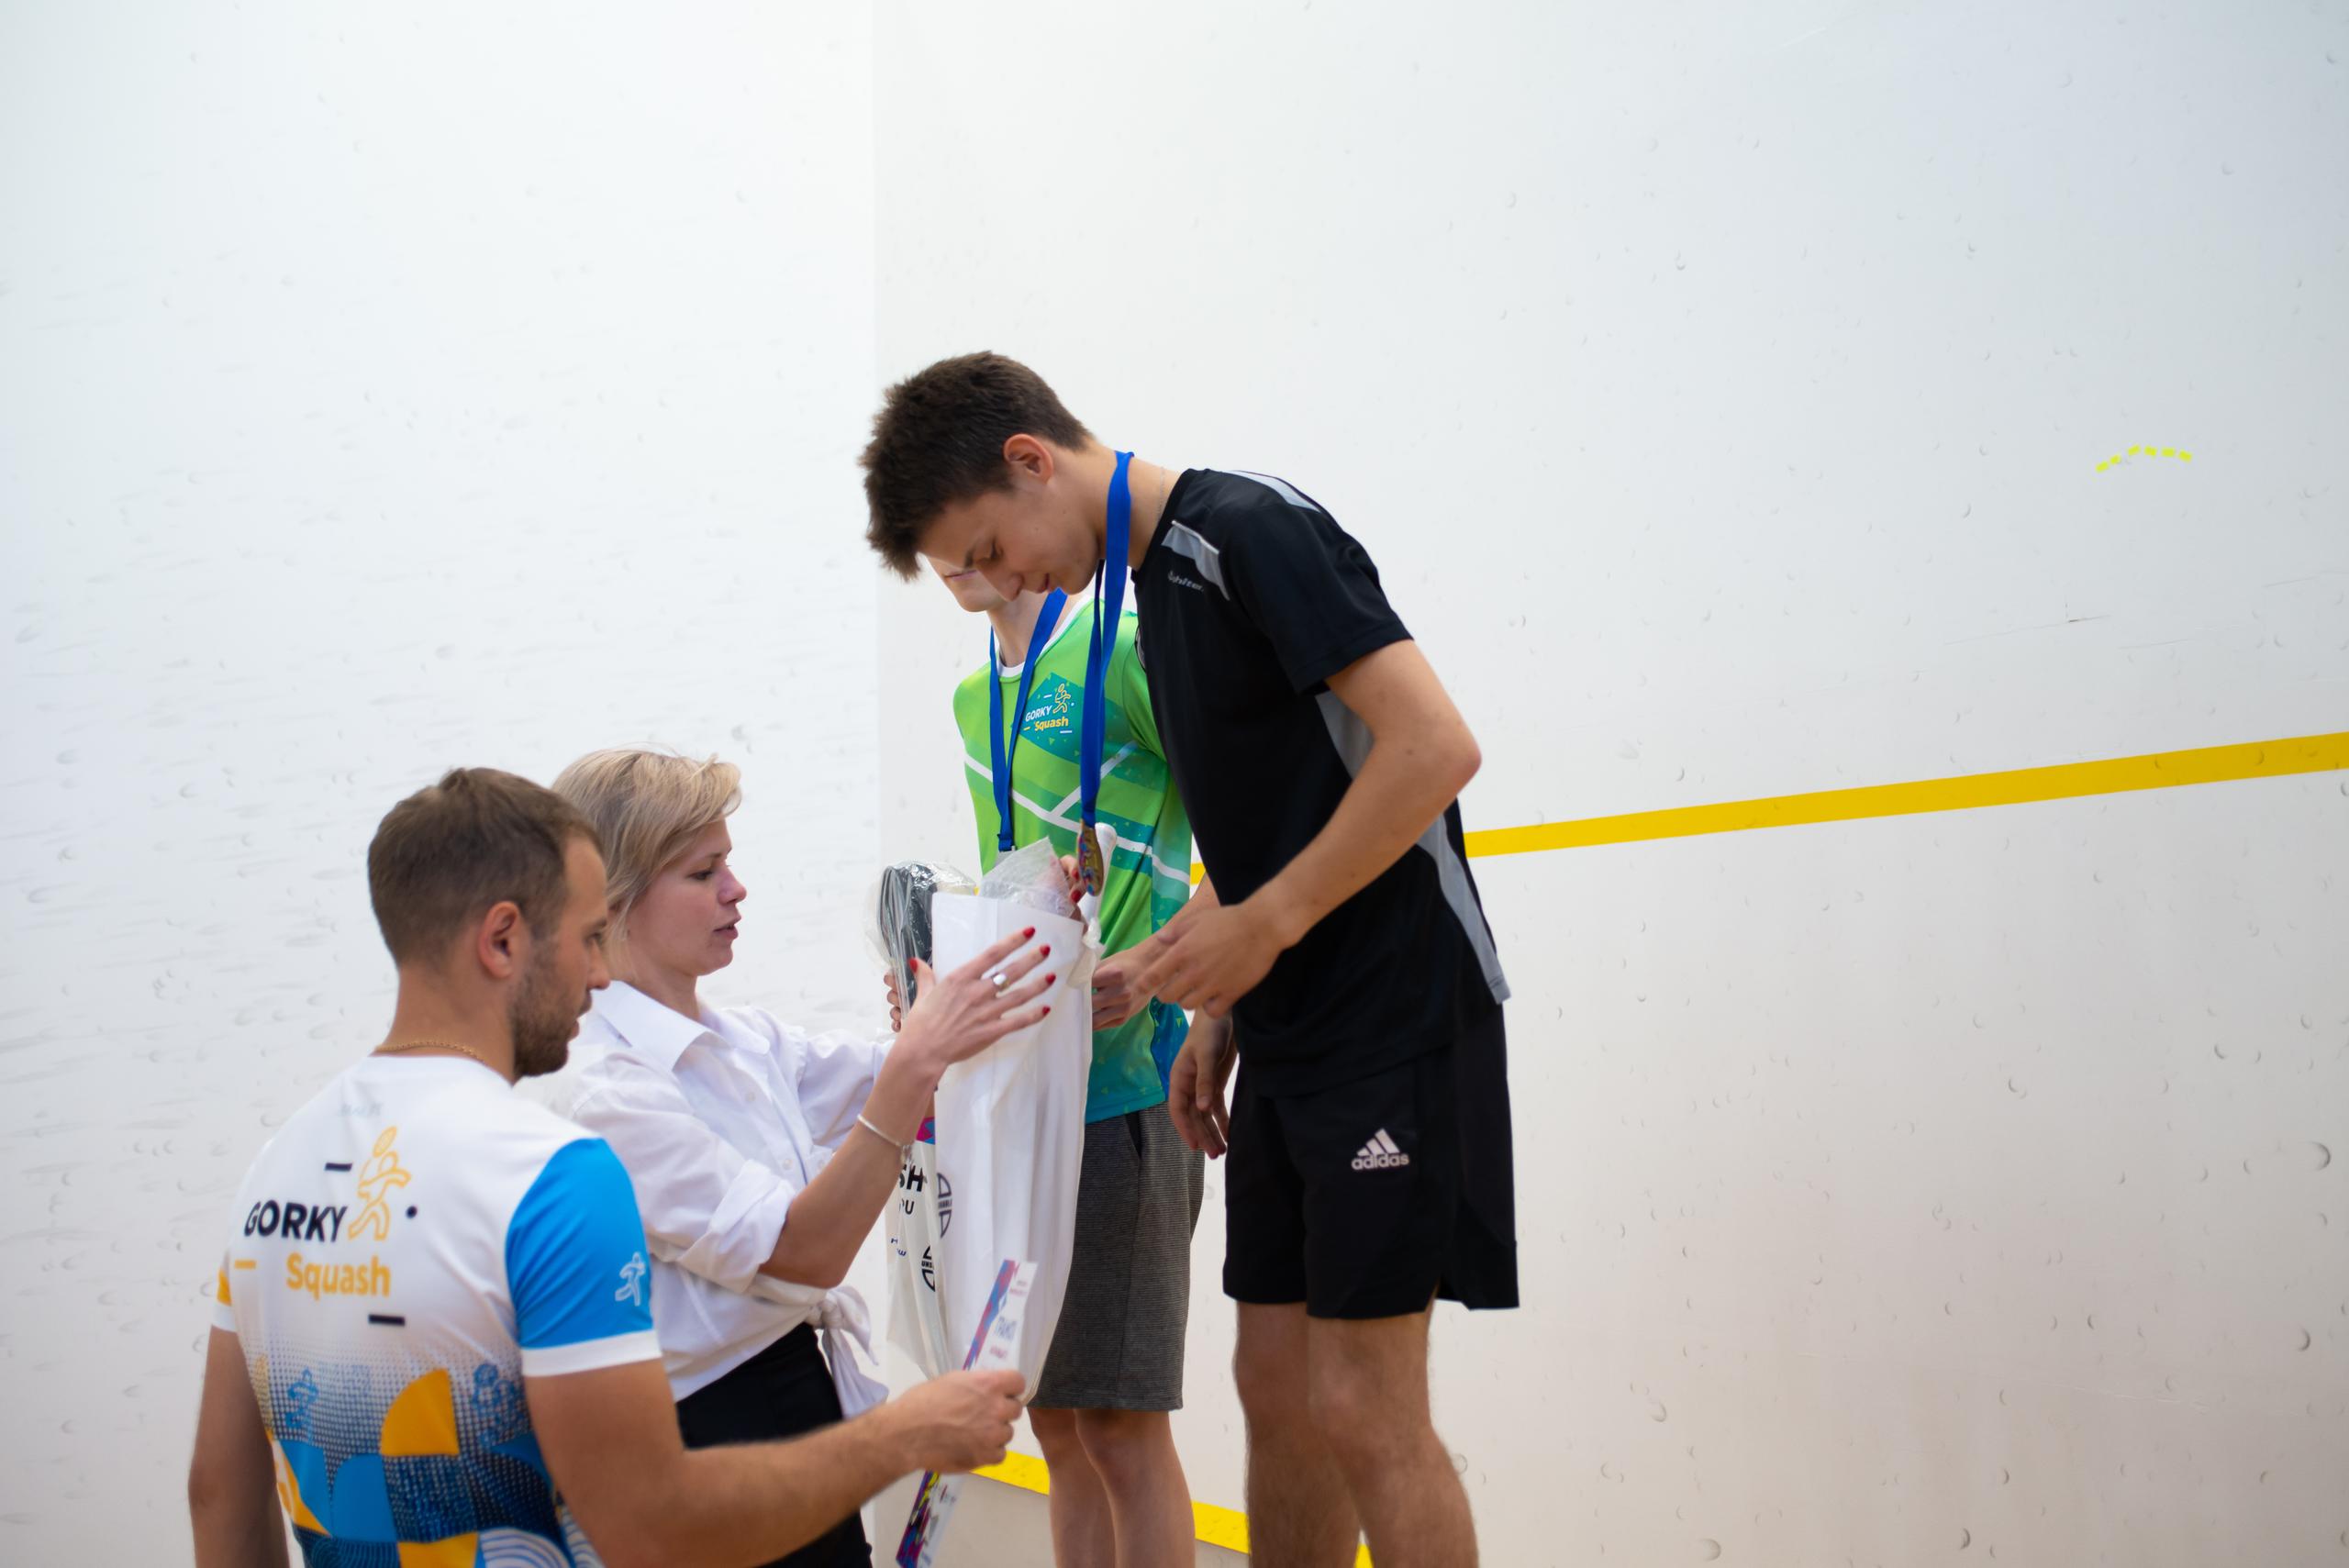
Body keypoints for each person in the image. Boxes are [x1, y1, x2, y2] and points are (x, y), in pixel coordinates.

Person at [862, 353, 1517, 1568]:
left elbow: (1433, 747)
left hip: (1395, 1007)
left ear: (1030, 459)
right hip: (1281, 1025)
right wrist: (1219, 1004)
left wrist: (1262, 926)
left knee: (1364, 1405)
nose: (1005, 581)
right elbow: (1265, 826)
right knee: (1277, 1391)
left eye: (992, 549)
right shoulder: (1150, 591)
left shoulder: (1246, 531)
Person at [186, 767, 1030, 1568]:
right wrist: (906, 1433)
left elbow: (220, 1492)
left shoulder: (277, 1166)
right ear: (503, 939)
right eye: (589, 937)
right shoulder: (553, 1176)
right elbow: (652, 1520)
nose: (599, 975)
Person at [517, 748, 1061, 1568]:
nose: (736, 889)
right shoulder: (610, 1090)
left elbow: (917, 1060)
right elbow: (806, 1250)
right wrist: (916, 1059)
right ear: (613, 899)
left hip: (796, 1393)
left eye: (728, 863)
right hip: (712, 1431)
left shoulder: (744, 1042)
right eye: (703, 872)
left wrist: (1047, 932)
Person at [914, 554, 1208, 1566]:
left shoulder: (1117, 650)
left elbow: (1254, 817)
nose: (946, 550)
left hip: (1130, 1086)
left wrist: (1163, 964)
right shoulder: (973, 701)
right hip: (1027, 1094)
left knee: (1122, 1426)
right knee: (1053, 1422)